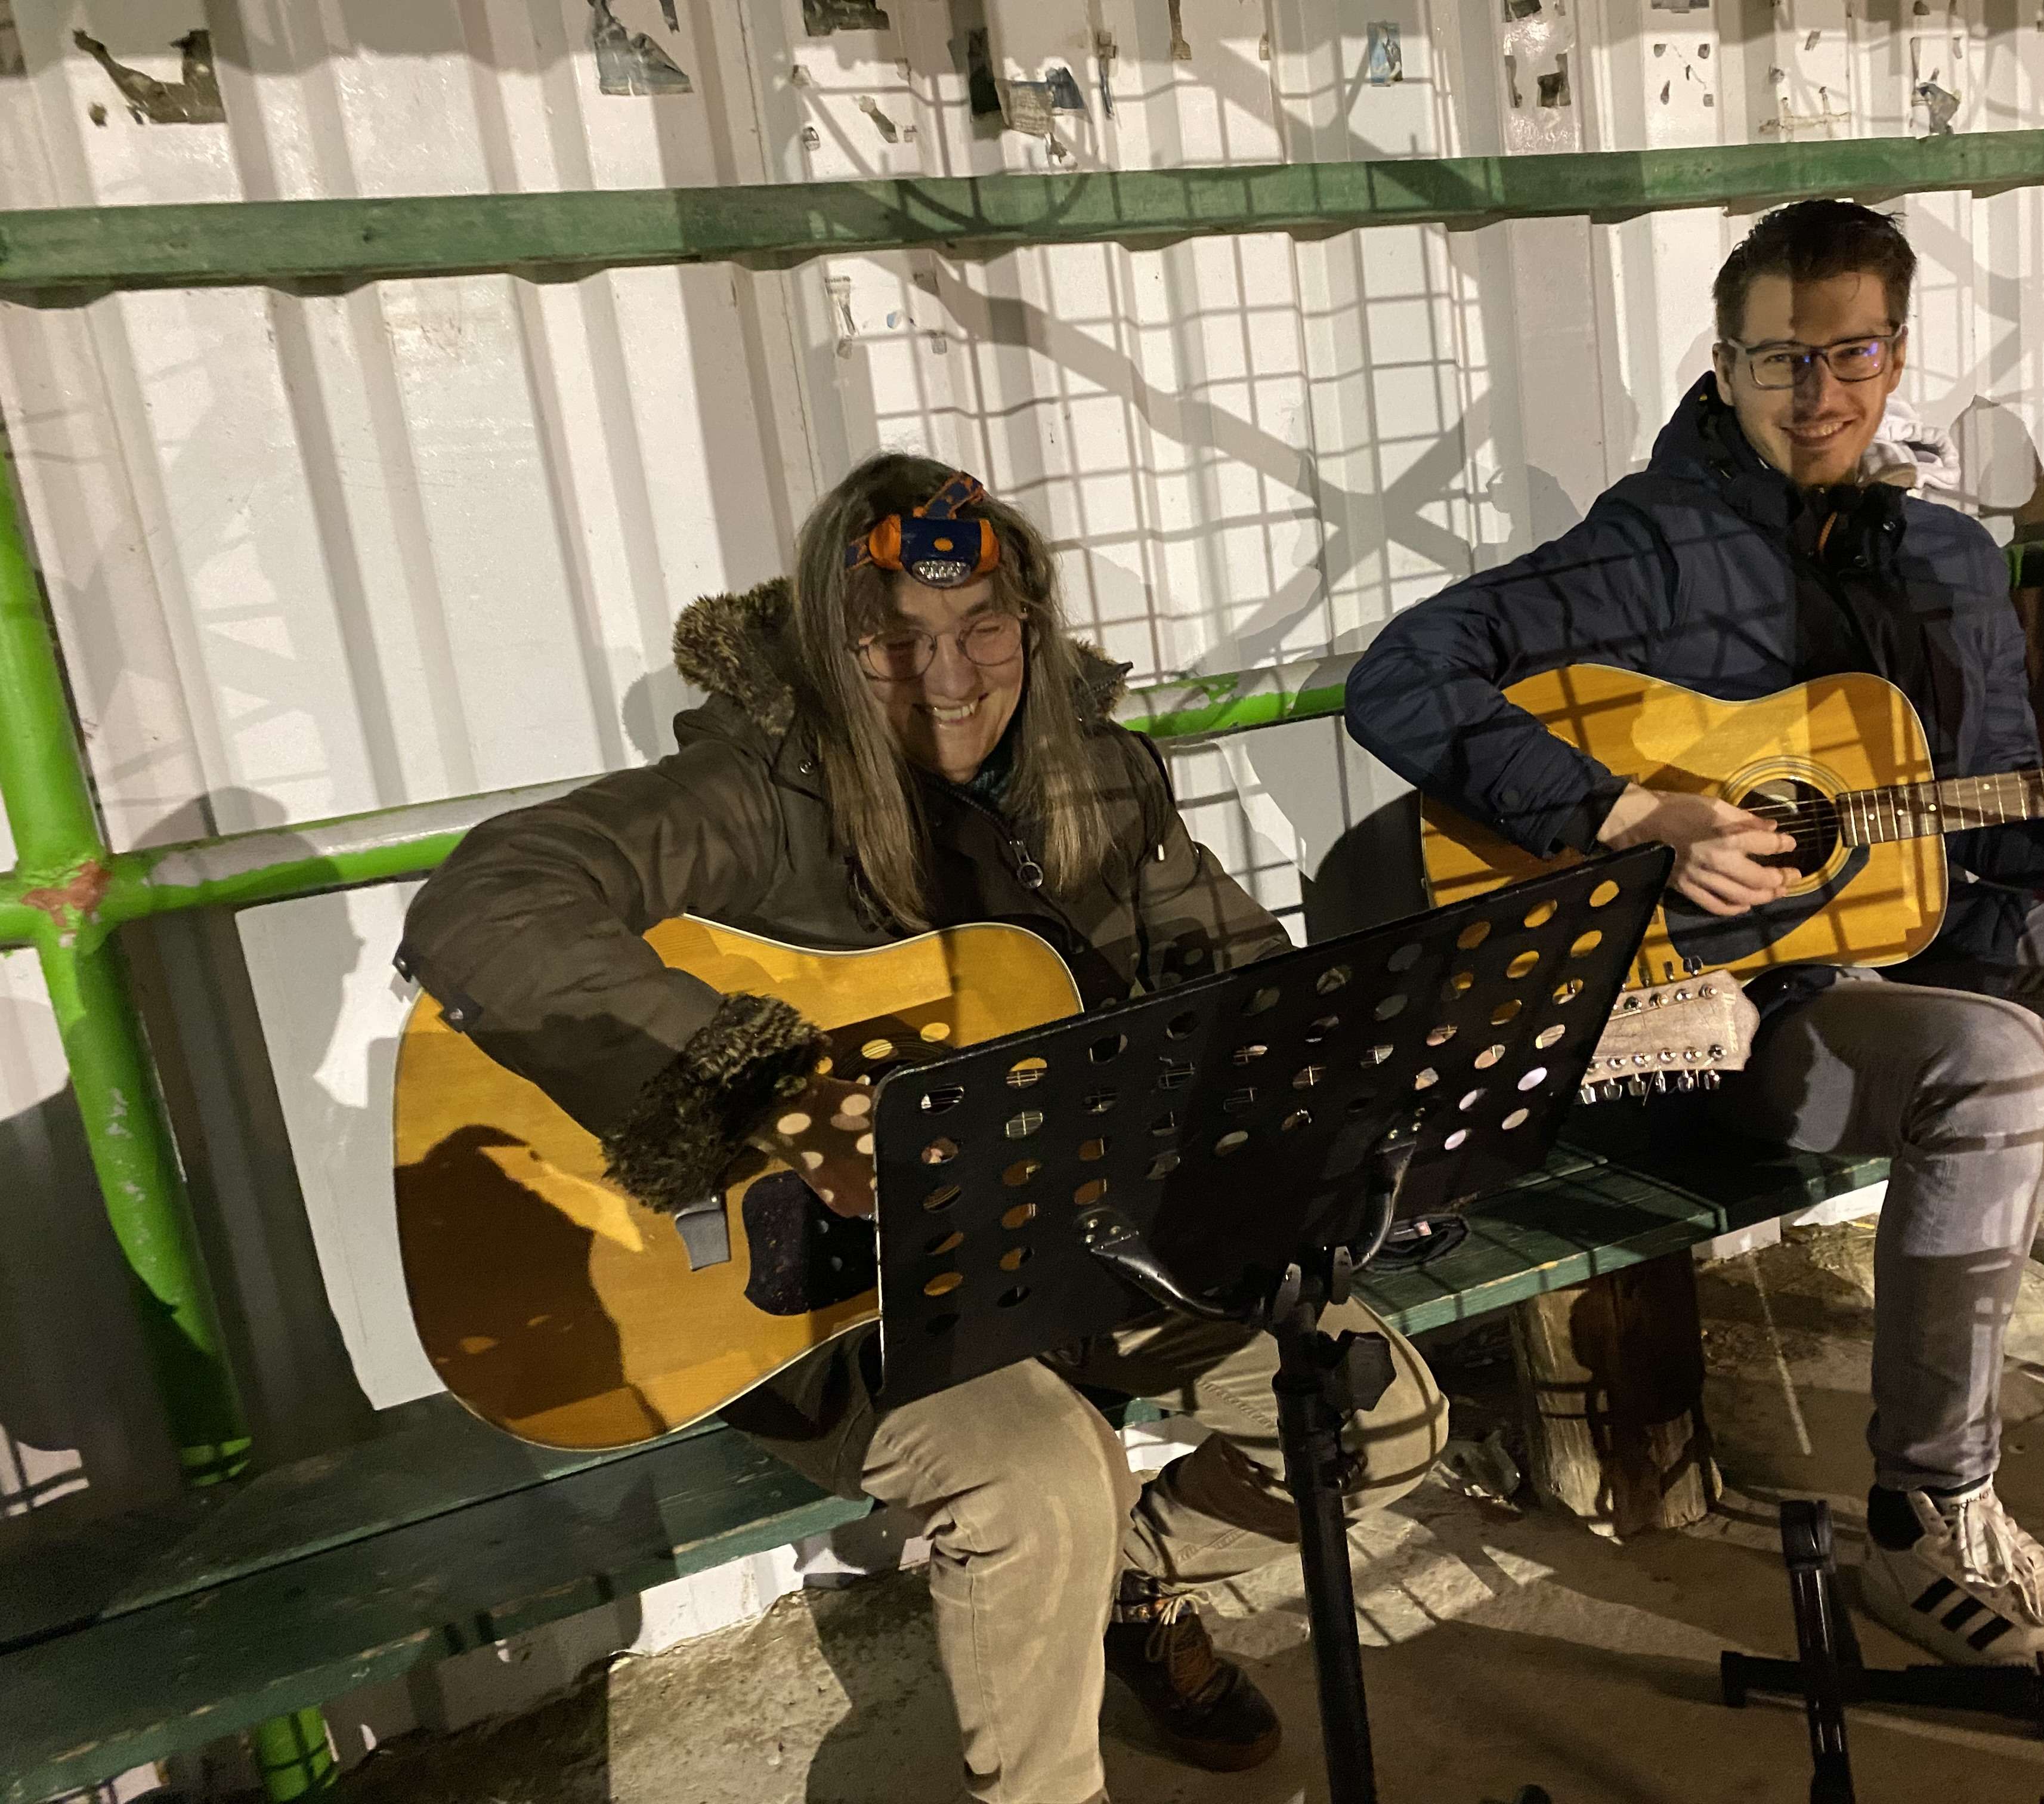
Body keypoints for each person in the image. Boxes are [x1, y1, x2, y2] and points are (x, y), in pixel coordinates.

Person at [1344, 199, 2044, 1732]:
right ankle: (1929, 1521)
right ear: (1725, 364)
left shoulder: (1950, 559)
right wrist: (1627, 814)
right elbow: (1401, 674)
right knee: (1998, 1065)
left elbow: (2011, 837)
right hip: (1737, 1009)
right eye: (1779, 358)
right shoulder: (1649, 552)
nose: (1817, 391)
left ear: (1895, 358)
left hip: (1952, 943)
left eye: (1850, 354)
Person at [398, 453, 1448, 1804]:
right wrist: (772, 1090)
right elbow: (487, 904)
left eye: (982, 629)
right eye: (892, 642)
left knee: (1380, 1418)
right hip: (833, 1301)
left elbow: (1233, 979)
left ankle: (1124, 1593)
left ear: (1032, 624)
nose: (947, 678)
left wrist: (1349, 1063)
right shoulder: (756, 790)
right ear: (831, 651)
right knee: (1043, 1479)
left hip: (1079, 1231)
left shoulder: (1102, 778)